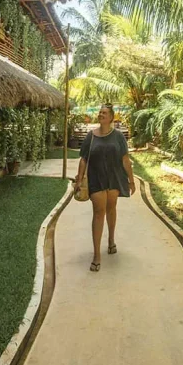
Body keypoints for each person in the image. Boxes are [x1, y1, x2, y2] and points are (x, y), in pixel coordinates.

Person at [74, 104, 135, 272]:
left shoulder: (118, 137)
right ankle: (96, 255)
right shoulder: (91, 136)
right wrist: (79, 179)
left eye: (104, 113)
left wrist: (131, 180)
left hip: (114, 178)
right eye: (100, 112)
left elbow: (125, 160)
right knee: (98, 212)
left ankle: (111, 240)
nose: (101, 114)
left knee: (111, 208)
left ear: (111, 117)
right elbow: (83, 159)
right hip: (96, 179)